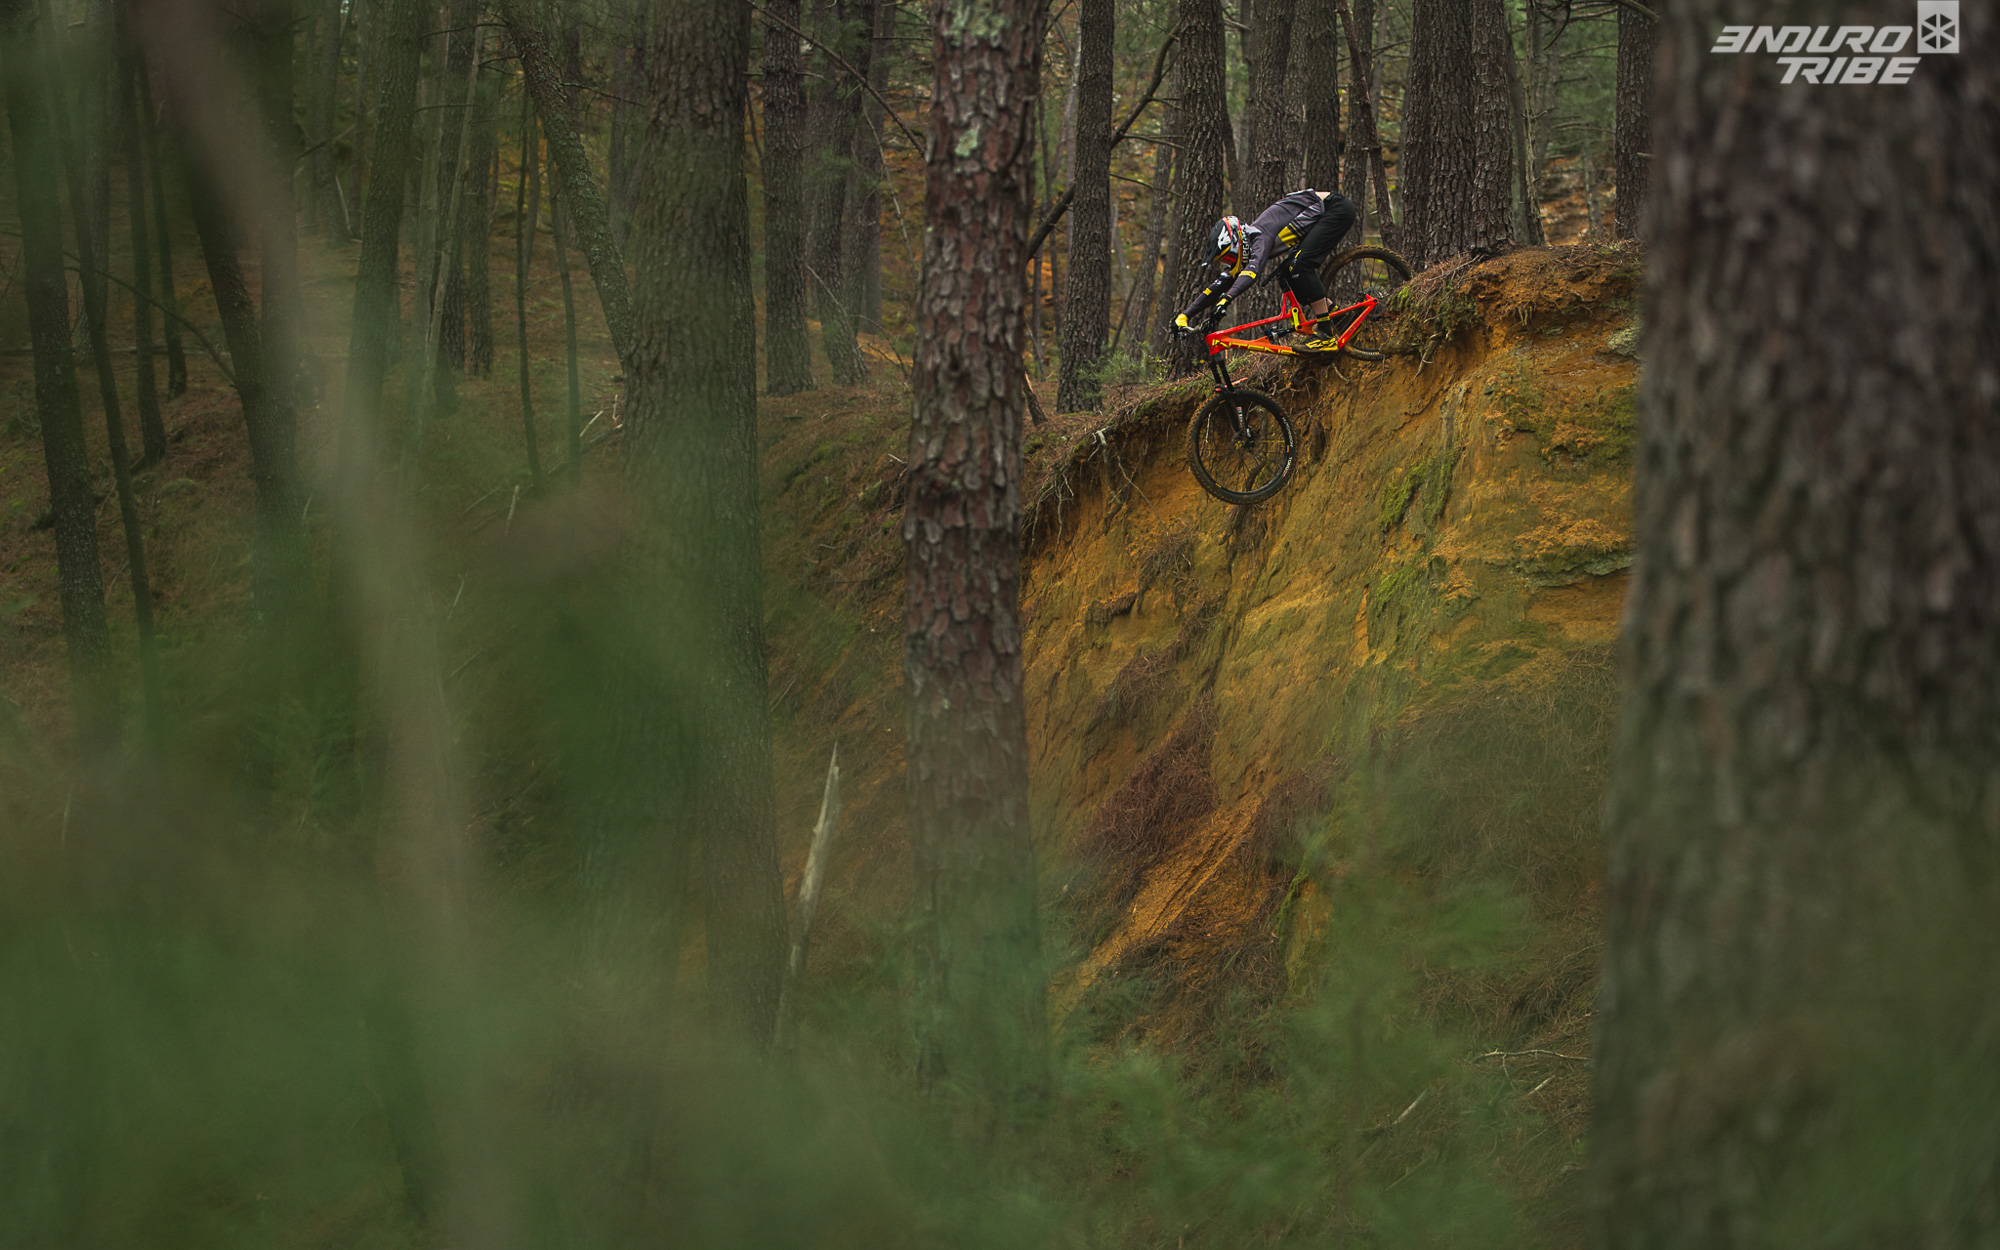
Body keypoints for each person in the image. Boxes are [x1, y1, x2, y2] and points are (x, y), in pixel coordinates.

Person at [1171, 189, 1359, 342]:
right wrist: (1185, 315)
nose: (1229, 262)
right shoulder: (1251, 240)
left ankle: (1325, 334)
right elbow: (1222, 282)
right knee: (1287, 272)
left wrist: (1226, 299)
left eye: (1228, 256)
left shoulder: (1260, 238)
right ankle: (1339, 317)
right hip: (1322, 214)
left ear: (1237, 242)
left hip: (1335, 208)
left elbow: (1252, 273)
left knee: (1299, 266)